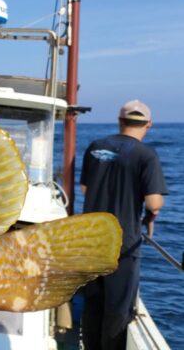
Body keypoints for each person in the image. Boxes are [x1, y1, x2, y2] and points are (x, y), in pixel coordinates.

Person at [79, 99, 168, 350]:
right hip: (123, 245)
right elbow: (153, 203)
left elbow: (85, 188)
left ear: (120, 121)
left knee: (93, 305)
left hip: (91, 242)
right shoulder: (146, 155)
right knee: (117, 310)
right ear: (148, 125)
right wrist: (153, 211)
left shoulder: (96, 147)